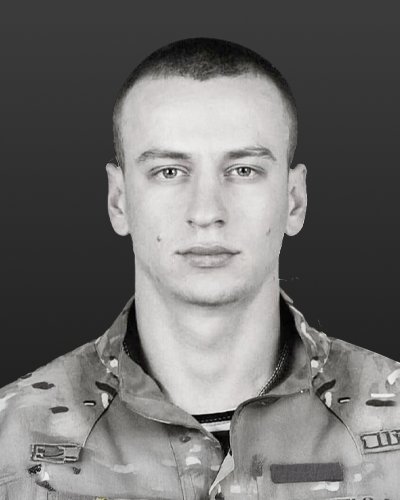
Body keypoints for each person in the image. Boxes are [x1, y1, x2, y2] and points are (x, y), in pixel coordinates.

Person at [0, 37, 399, 500]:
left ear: (294, 200)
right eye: (169, 171)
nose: (207, 212)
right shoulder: (10, 440)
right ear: (118, 200)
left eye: (243, 170)